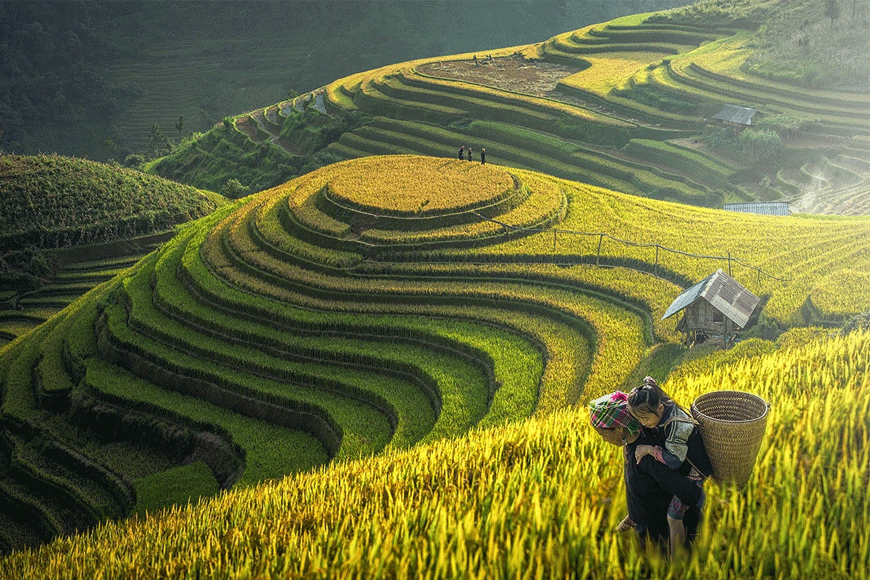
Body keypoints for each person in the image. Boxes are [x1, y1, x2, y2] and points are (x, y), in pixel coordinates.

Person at [590, 392, 702, 549]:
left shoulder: (645, 457)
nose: (604, 439)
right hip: (644, 534)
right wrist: (630, 520)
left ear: (620, 429)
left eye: (603, 434)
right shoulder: (630, 447)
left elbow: (688, 492)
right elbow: (646, 493)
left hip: (658, 541)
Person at [627, 377, 712, 557]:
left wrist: (650, 449)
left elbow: (675, 461)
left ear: (660, 409)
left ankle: (676, 559)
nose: (643, 423)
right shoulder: (661, 407)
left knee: (673, 517)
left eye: (645, 418)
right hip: (683, 463)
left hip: (694, 473)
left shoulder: (676, 426)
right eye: (638, 419)